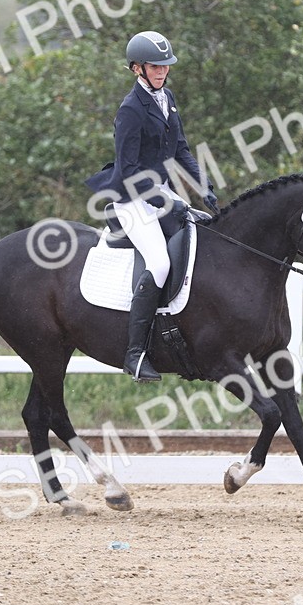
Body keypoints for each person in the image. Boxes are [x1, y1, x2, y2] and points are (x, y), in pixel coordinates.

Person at [85, 30, 217, 382]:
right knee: (158, 263)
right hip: (131, 197)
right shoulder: (130, 109)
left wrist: (203, 186)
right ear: (136, 69)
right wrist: (162, 199)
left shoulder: (167, 98)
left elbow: (182, 150)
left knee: (203, 231)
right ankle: (135, 353)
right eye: (155, 67)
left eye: (165, 66)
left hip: (159, 189)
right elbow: (127, 170)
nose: (162, 72)